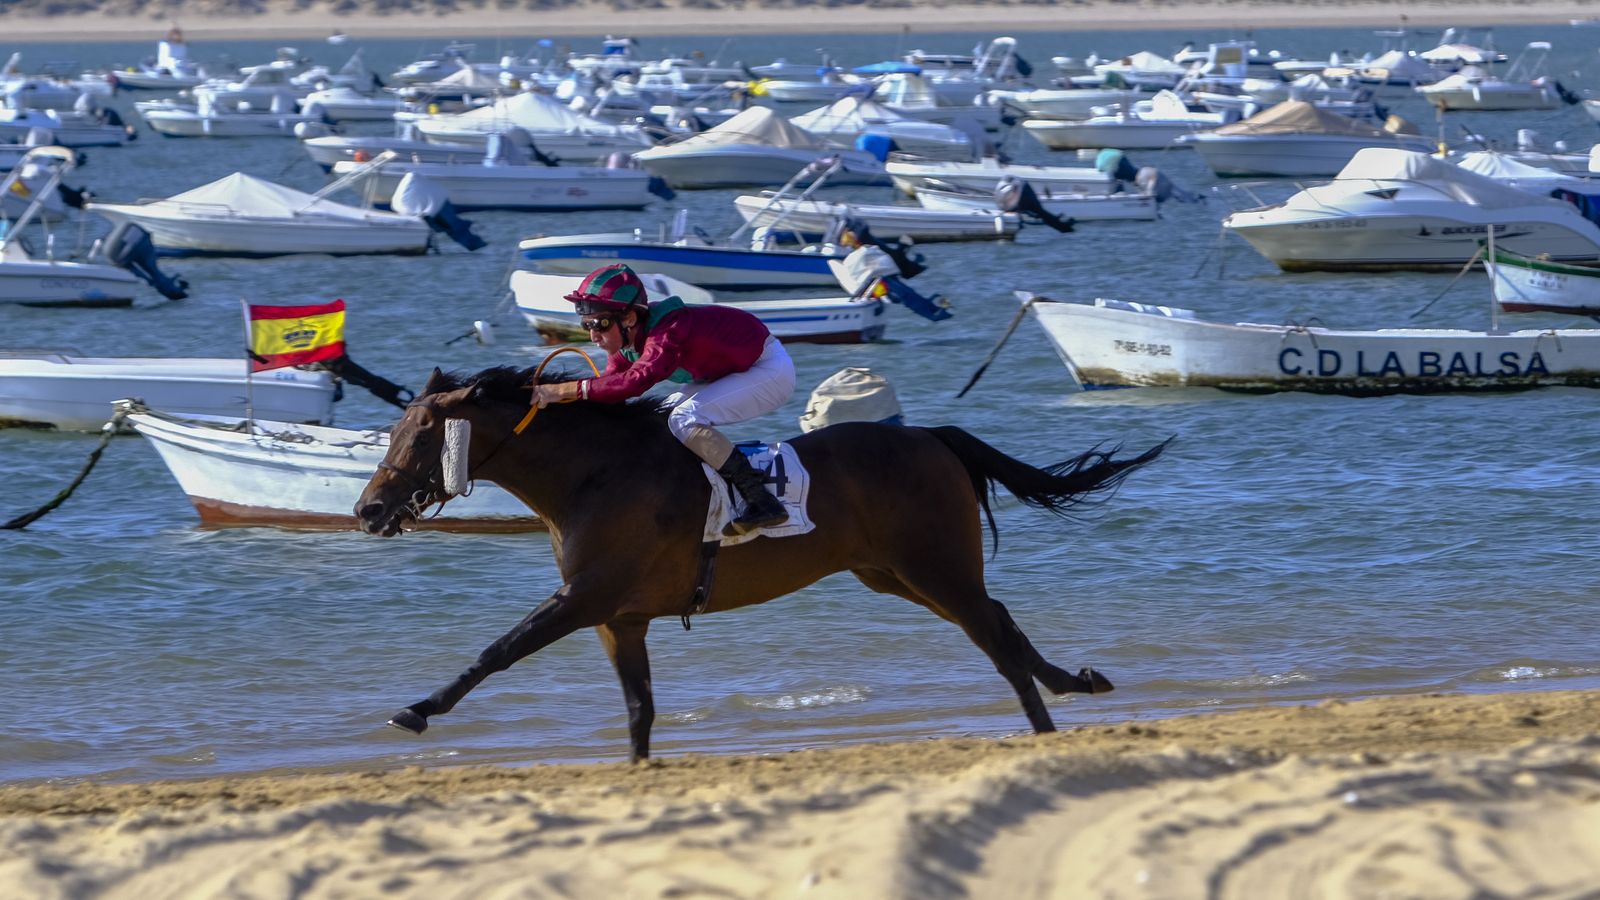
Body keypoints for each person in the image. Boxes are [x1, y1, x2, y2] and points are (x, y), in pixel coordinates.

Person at [529, 263, 796, 536]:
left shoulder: (668, 330)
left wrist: (561, 391)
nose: (592, 336)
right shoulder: (626, 345)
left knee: (683, 420)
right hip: (727, 373)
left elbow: (636, 382)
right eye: (586, 324)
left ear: (630, 318)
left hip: (767, 369)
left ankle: (762, 500)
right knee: (659, 420)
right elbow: (608, 394)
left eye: (599, 324)